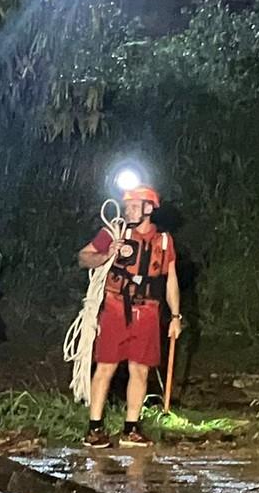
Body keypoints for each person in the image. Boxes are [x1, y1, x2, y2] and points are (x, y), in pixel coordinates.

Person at [76, 185, 183, 448]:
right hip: (115, 307)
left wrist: (176, 316)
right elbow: (83, 257)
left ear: (149, 209)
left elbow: (171, 280)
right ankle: (94, 428)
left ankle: (131, 428)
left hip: (148, 311)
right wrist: (107, 254)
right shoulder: (115, 231)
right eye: (128, 206)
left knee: (140, 370)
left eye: (135, 206)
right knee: (106, 367)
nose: (128, 210)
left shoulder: (165, 242)